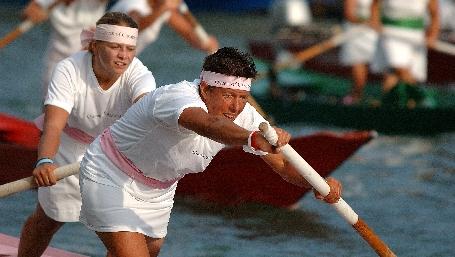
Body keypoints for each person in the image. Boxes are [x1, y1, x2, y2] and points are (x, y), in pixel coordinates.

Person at [78, 47, 343, 257]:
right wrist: (252, 138)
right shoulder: (177, 98)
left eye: (242, 98)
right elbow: (209, 125)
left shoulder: (245, 115)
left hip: (159, 189)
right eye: (228, 96)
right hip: (110, 173)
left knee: (145, 251)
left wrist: (317, 182)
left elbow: (284, 167)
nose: (236, 107)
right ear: (205, 88)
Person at [17, 12, 157, 257]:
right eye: (115, 47)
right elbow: (53, 126)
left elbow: (145, 112)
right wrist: (44, 161)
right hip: (68, 150)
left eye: (129, 48)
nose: (124, 56)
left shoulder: (140, 75)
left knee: (126, 234)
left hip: (115, 155)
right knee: (48, 220)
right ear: (94, 45)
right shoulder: (69, 69)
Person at [22, 0, 108, 98]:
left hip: (88, 56)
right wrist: (35, 13)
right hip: (57, 57)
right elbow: (28, 11)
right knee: (50, 102)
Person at [370, 0, 440, 108]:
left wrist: (433, 35)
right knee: (399, 67)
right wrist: (375, 20)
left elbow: (435, 13)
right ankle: (421, 100)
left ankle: (396, 106)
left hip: (416, 35)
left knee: (393, 74)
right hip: (390, 32)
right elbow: (375, 4)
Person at [110, 0, 219, 55]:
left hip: (121, 64)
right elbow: (133, 28)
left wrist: (204, 44)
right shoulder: (134, 3)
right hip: (99, 62)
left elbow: (188, 33)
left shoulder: (161, 9)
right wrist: (164, 7)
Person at [340, 0, 379, 105]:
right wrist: (369, 21)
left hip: (375, 32)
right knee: (358, 64)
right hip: (355, 33)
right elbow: (349, 14)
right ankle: (356, 97)